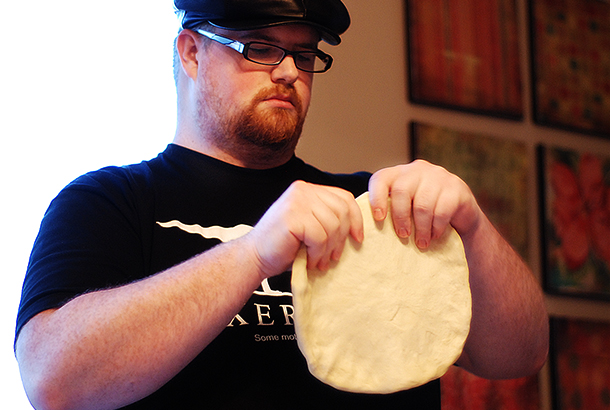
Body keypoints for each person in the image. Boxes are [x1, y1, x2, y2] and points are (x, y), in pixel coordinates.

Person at [15, 0, 549, 409]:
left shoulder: (376, 207)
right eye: (260, 48)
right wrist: (252, 254)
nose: (290, 71)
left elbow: (520, 356)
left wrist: (474, 229)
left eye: (303, 53)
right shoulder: (108, 203)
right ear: (191, 52)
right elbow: (53, 381)